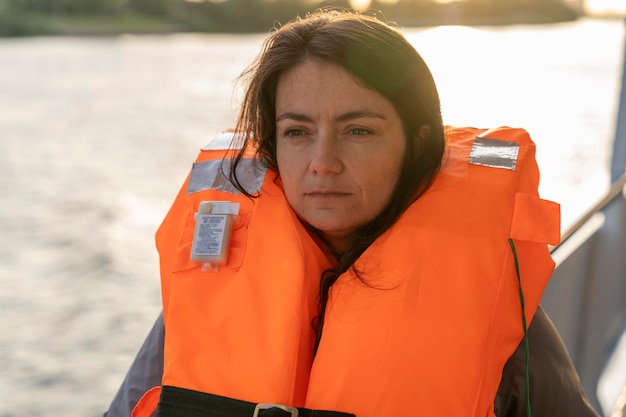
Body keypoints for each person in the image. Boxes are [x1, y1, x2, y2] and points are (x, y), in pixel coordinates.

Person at [104, 9, 600, 417]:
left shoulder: (493, 309)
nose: (323, 163)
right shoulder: (209, 294)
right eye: (297, 132)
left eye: (358, 130)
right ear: (274, 146)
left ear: (417, 144)